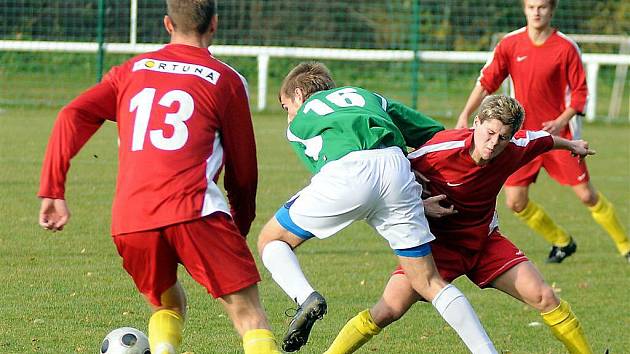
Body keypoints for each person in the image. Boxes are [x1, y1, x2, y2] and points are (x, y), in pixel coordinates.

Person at [37, 1, 281, 353]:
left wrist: (53, 189)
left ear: (167, 24)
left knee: (167, 304)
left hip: (131, 220)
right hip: (196, 212)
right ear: (214, 24)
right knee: (249, 316)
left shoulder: (129, 71)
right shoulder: (226, 80)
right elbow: (243, 173)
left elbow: (72, 114)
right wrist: (238, 225)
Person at [257, 62, 498, 353]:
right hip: (396, 166)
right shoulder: (368, 96)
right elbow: (432, 133)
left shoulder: (298, 124)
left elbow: (336, 175)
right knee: (428, 280)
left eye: (286, 107)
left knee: (271, 239)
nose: (289, 116)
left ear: (298, 95)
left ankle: (305, 298)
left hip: (346, 173)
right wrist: (417, 188)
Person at [326, 95, 594, 354]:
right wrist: (421, 205)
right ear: (476, 123)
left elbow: (544, 139)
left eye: (502, 138)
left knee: (545, 296)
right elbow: (383, 181)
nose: (493, 143)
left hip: (484, 243)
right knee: (387, 311)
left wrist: (573, 146)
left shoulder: (515, 149)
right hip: (435, 249)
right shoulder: (438, 151)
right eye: (489, 133)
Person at [456, 0, 629, 263]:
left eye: (543, 7)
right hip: (520, 137)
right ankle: (562, 242)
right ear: (524, 9)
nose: (537, 12)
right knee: (515, 202)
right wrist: (464, 114)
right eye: (531, 7)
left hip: (560, 137)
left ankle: (625, 246)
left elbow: (580, 93)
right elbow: (486, 81)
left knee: (586, 195)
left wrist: (560, 121)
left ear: (552, 9)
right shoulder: (510, 44)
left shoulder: (566, 47)